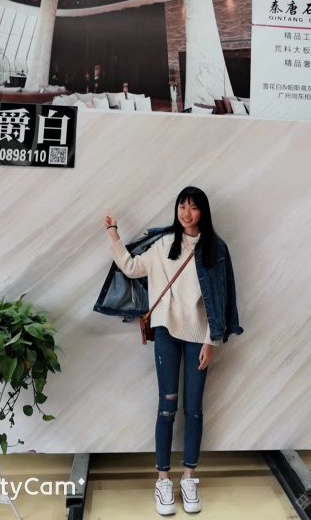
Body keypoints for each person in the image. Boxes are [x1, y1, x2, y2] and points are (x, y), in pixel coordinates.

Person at [104, 186, 243, 516]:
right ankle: (163, 480)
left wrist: (212, 341)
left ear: (203, 212)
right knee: (167, 408)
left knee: (193, 410)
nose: (186, 213)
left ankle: (190, 478)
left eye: (193, 207)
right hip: (167, 333)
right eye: (182, 206)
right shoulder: (164, 244)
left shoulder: (216, 249)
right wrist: (113, 233)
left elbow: (222, 298)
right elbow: (131, 267)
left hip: (199, 338)